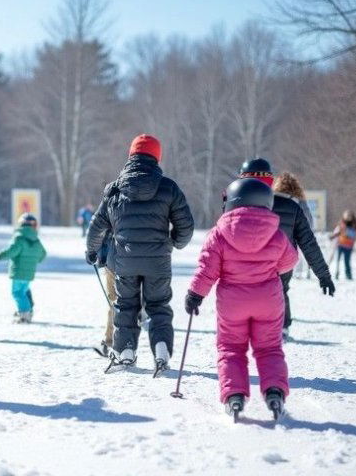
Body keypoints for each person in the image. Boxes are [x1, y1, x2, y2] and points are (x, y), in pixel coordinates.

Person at [186, 178, 298, 419]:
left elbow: (207, 269)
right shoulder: (276, 234)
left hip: (232, 303)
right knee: (269, 348)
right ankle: (275, 391)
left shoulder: (219, 234)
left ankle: (234, 395)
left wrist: (195, 294)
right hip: (268, 300)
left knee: (231, 348)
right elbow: (290, 261)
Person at [85, 134, 194, 371]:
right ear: (157, 156)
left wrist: (92, 251)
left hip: (125, 261)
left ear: (131, 155)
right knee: (158, 305)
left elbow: (97, 225)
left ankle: (125, 350)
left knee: (126, 305)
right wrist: (174, 242)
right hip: (158, 261)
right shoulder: (169, 188)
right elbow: (186, 225)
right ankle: (162, 349)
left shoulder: (115, 189)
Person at [238, 163, 335, 341]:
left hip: (251, 261)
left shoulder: (240, 204)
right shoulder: (293, 206)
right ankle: (282, 327)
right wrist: (323, 275)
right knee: (281, 291)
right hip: (283, 261)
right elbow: (308, 243)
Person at [0, 213, 47, 324]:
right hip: (29, 272)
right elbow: (43, 254)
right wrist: (34, 260)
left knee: (17, 292)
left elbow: (10, 252)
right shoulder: (36, 240)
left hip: (18, 271)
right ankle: (28, 311)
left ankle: (25, 313)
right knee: (24, 290)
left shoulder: (19, 238)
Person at [330, 210, 356, 280]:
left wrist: (349, 235)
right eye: (346, 215)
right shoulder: (342, 223)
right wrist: (333, 236)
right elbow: (338, 232)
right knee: (337, 260)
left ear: (352, 217)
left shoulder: (354, 225)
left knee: (347, 261)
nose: (347, 217)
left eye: (349, 216)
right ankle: (337, 273)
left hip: (348, 246)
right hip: (340, 244)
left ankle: (348, 275)